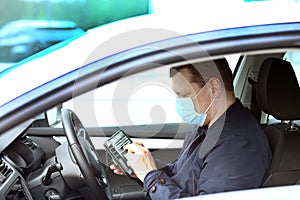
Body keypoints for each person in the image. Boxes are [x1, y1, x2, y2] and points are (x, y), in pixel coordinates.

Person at [110, 58, 272, 199]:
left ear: (214, 88)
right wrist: (142, 169)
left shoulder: (237, 147)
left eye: (184, 95)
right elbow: (183, 175)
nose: (179, 102)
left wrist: (150, 176)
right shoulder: (208, 126)